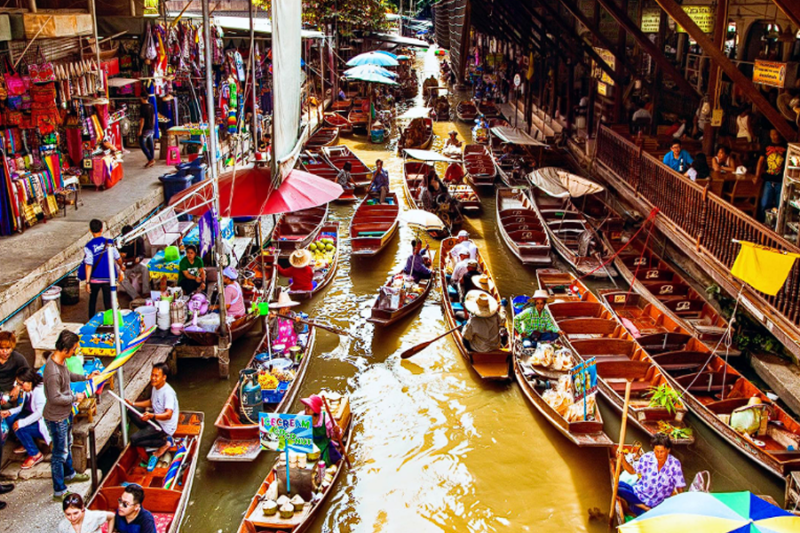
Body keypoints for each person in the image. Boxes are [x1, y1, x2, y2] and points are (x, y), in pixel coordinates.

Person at [44, 330, 92, 500]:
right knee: (59, 453)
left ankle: (70, 474)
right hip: (56, 418)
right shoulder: (52, 372)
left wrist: (85, 377)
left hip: (66, 414)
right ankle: (59, 490)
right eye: (74, 349)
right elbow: (54, 397)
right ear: (65, 349)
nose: (75, 353)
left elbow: (69, 375)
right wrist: (74, 397)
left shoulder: (61, 362)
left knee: (68, 444)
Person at [616, 433, 685, 516]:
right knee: (617, 486)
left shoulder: (674, 464)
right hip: (639, 494)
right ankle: (643, 507)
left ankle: (639, 508)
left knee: (646, 515)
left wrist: (682, 505)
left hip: (656, 504)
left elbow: (679, 487)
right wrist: (622, 459)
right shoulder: (647, 457)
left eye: (662, 452)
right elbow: (631, 471)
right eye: (656, 451)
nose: (659, 455)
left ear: (668, 450)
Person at [127, 363, 179, 458]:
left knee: (134, 439)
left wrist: (152, 416)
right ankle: (147, 433)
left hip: (164, 427)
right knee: (131, 410)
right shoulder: (155, 387)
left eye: (156, 376)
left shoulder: (168, 393)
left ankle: (165, 442)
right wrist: (133, 404)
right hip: (156, 419)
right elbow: (151, 402)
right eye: (152, 375)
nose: (153, 378)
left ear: (164, 377)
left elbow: (168, 415)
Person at [3, 367, 49, 470]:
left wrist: (22, 423)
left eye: (21, 383)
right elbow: (21, 407)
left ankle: (35, 454)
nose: (19, 386)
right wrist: (9, 412)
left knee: (19, 427)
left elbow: (40, 413)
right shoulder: (27, 389)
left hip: (45, 422)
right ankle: (25, 442)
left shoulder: (39, 391)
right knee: (10, 419)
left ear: (29, 381)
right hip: (33, 416)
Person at [84, 219, 124, 319]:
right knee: (108, 302)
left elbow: (88, 264)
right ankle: (110, 322)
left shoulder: (88, 246)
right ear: (102, 229)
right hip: (109, 278)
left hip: (95, 278)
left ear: (90, 230)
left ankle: (90, 320)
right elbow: (118, 258)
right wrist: (121, 267)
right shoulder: (109, 242)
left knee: (92, 300)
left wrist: (88, 282)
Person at [300, 394, 342, 467]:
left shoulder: (326, 419)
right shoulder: (301, 416)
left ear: (315, 411)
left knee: (334, 461)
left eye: (309, 408)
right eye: (306, 407)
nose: (306, 410)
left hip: (324, 446)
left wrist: (336, 431)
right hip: (308, 445)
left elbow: (335, 435)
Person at [756, 129, 788, 223]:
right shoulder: (766, 146)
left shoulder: (785, 146)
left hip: (780, 180)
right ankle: (764, 222)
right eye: (772, 134)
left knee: (779, 205)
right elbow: (760, 161)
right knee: (764, 203)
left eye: (776, 134)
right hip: (768, 180)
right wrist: (757, 175)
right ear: (770, 135)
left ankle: (777, 224)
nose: (774, 136)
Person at [119, 225, 150, 300]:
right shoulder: (121, 243)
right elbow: (117, 258)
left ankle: (146, 291)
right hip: (126, 266)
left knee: (145, 269)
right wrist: (120, 256)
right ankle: (135, 295)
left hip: (136, 264)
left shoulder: (139, 240)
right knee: (121, 278)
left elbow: (143, 253)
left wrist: (139, 258)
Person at [138, 95, 156, 168]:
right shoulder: (151, 106)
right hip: (151, 127)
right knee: (150, 143)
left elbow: (142, 120)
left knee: (142, 143)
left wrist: (140, 130)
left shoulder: (143, 107)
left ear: (142, 98)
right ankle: (151, 159)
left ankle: (150, 159)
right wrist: (153, 125)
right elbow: (154, 116)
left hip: (145, 128)